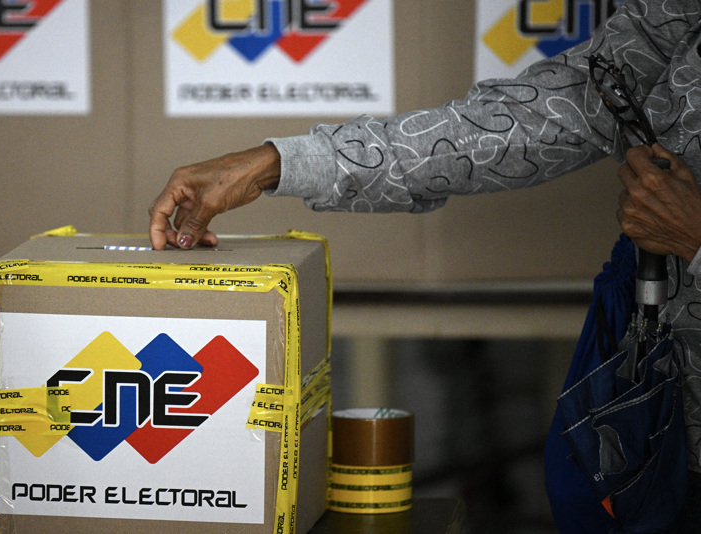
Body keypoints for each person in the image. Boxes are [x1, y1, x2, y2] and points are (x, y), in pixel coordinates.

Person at [149, 0, 701, 530]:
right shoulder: (677, 16)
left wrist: (694, 238)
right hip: (671, 428)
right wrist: (279, 163)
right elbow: (539, 116)